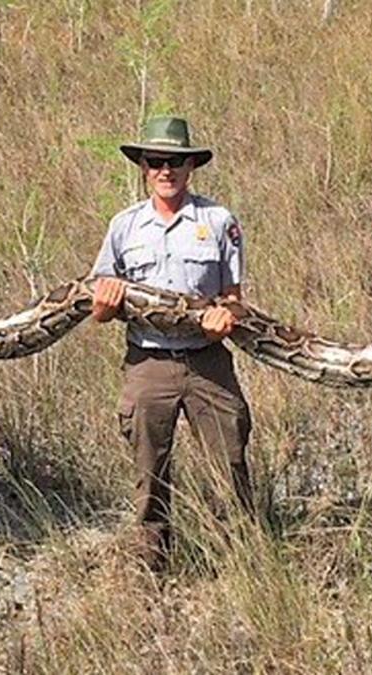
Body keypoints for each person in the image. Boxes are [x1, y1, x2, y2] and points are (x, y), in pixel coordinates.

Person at [91, 116, 252, 570]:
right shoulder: (124, 226)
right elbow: (99, 309)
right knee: (149, 470)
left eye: (176, 161)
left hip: (207, 362)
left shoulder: (219, 221)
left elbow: (236, 301)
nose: (166, 170)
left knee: (231, 462)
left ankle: (241, 560)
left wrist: (227, 316)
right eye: (157, 161)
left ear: (191, 167)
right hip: (149, 361)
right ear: (143, 166)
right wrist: (104, 302)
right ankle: (152, 565)